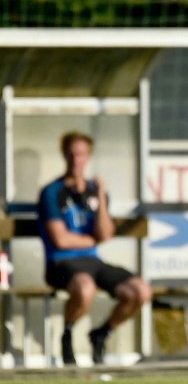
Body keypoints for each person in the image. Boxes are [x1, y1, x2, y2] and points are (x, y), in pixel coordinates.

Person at [37, 131, 153, 366]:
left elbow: (105, 233)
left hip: (92, 261)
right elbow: (61, 240)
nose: (75, 160)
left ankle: (101, 334)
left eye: (80, 154)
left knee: (140, 291)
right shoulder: (52, 192)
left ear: (88, 156)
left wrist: (100, 195)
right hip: (60, 262)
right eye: (71, 154)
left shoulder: (95, 191)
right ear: (64, 155)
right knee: (85, 287)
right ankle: (67, 334)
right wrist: (93, 240)